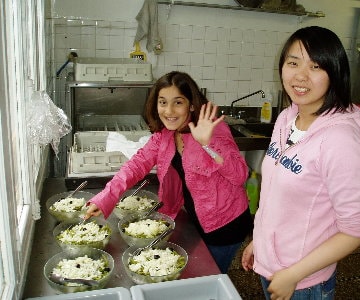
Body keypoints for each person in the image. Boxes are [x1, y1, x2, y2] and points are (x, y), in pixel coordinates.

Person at [241, 26, 360, 299]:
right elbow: (278, 196)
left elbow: (356, 229)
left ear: (334, 74)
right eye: (293, 63)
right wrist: (261, 242)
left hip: (304, 282)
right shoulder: (288, 117)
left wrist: (293, 274)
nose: (300, 75)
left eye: (315, 66)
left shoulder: (340, 140)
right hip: (273, 266)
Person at [85, 71, 253, 273]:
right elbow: (136, 165)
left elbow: (240, 175)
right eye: (162, 102)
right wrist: (105, 198)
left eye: (178, 102)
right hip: (194, 219)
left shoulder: (212, 131)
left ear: (191, 104)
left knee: (210, 276)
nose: (169, 110)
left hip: (225, 224)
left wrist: (207, 144)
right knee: (193, 274)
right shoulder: (165, 135)